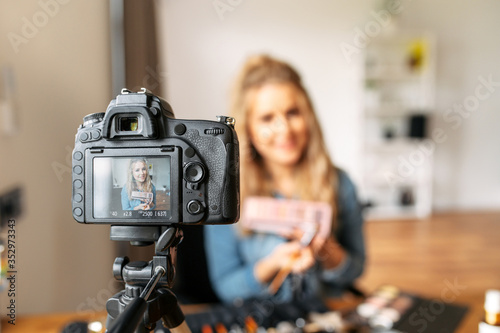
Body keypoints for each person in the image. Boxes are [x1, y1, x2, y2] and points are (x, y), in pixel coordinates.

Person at [204, 55, 365, 304]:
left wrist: (328, 252)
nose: (284, 130)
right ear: (249, 129)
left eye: (292, 113)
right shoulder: (225, 194)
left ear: (308, 117)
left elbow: (356, 270)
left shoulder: (340, 183)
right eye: (267, 118)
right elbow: (226, 287)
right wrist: (272, 264)